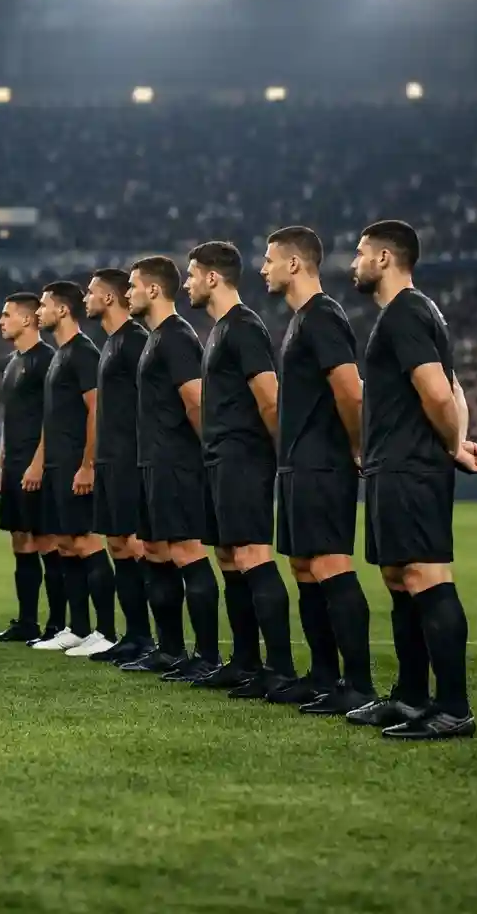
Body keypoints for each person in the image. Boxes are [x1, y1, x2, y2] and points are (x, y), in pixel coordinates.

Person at [347, 219, 477, 740]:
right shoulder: (416, 312)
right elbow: (453, 387)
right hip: (395, 464)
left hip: (410, 466)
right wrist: (457, 442)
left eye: (361, 253)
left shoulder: (405, 312)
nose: (354, 262)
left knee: (427, 578)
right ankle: (411, 698)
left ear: (385, 258)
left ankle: (453, 708)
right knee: (400, 579)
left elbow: (436, 393)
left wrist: (451, 446)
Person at [260, 227, 376, 716]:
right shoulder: (301, 320)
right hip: (298, 462)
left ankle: (360, 684)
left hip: (323, 461)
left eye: (269, 260)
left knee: (330, 566)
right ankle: (325, 676)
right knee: (304, 568)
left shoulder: (324, 316)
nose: (262, 268)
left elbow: (350, 391)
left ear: (294, 264)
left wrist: (356, 444)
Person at [184, 241, 304, 701]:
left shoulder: (244, 327)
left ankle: (280, 668)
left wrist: (278, 453)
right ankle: (245, 662)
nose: (188, 283)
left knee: (253, 556)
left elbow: (270, 396)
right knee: (231, 558)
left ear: (213, 277)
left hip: (243, 456)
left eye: (193, 275)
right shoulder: (219, 330)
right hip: (220, 456)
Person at [118, 256, 219, 680]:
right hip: (153, 462)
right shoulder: (157, 338)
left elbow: (195, 399)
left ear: (154, 290)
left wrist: (207, 453)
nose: (127, 294)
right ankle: (171, 649)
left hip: (176, 461)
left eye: (132, 286)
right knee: (156, 551)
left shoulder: (176, 336)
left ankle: (208, 656)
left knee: (186, 552)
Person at [28, 281, 113, 657]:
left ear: (63, 310)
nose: (38, 313)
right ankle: (77, 628)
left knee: (86, 542)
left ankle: (106, 631)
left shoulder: (82, 353)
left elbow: (97, 409)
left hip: (77, 463)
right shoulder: (61, 354)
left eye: (44, 305)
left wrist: (87, 465)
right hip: (58, 465)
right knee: (65, 544)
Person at [84, 269, 154, 666]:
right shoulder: (111, 343)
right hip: (109, 458)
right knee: (116, 544)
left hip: (129, 457)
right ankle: (134, 634)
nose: (86, 300)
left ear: (108, 299)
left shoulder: (135, 341)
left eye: (92, 293)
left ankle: (151, 638)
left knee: (136, 544)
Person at [0, 293, 59, 643]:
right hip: (14, 463)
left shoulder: (47, 360)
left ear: (28, 319)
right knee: (21, 541)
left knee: (47, 541)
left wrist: (38, 463)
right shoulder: (13, 361)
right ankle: (27, 622)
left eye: (6, 315)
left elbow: (52, 417)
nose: (1, 321)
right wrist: (1, 464)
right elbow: (10, 418)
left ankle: (60, 624)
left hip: (36, 464)